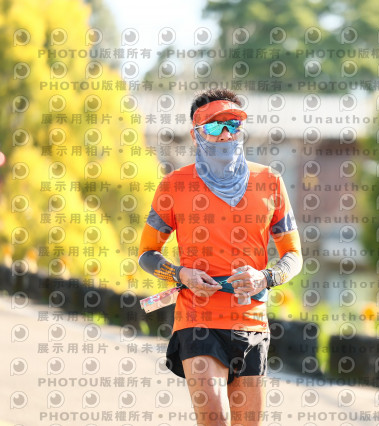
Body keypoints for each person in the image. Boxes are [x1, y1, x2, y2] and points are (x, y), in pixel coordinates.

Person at [137, 88, 302, 426]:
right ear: (196, 135)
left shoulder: (270, 181)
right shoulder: (174, 185)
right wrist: (180, 274)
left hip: (251, 323)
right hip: (197, 321)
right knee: (214, 418)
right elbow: (147, 254)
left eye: (233, 125)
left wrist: (265, 277)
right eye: (214, 126)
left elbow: (293, 255)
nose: (226, 133)